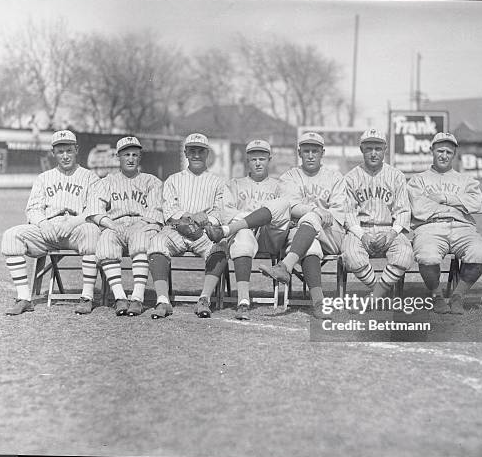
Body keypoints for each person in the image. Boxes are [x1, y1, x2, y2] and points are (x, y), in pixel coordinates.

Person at [1, 130, 100, 315]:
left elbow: (95, 210)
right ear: (53, 153)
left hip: (76, 229)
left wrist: (72, 223)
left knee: (92, 232)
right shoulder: (43, 178)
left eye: (69, 150)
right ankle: (24, 298)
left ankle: (87, 296)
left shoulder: (90, 177)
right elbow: (32, 209)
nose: (65, 156)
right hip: (48, 230)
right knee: (11, 236)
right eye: (60, 151)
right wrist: (44, 224)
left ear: (76, 150)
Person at [258, 132, 347, 319]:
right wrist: (316, 210)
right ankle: (319, 303)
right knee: (310, 244)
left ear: (323, 152)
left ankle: (285, 266)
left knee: (310, 219)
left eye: (315, 151)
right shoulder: (289, 177)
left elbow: (337, 215)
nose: (311, 155)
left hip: (331, 234)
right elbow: (289, 207)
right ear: (299, 152)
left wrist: (315, 214)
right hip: (300, 236)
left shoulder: (335, 177)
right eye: (306, 151)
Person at [407, 132, 482, 314]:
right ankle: (437, 296)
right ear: (432, 151)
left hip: (463, 228)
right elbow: (419, 208)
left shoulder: (466, 180)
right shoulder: (418, 180)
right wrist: (458, 203)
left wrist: (444, 198)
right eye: (440, 151)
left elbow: (475, 203)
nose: (443, 155)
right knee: (427, 255)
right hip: (430, 227)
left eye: (448, 151)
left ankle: (458, 296)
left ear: (454, 154)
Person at [206, 139, 291, 320]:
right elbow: (226, 213)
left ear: (270, 159)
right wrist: (250, 220)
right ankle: (243, 300)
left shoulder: (279, 185)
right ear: (247, 161)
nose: (258, 163)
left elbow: (284, 213)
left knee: (270, 214)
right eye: (254, 159)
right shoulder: (235, 184)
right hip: (244, 236)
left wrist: (252, 218)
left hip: (270, 237)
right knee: (243, 234)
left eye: (262, 158)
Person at [146, 133, 228, 319]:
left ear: (207, 153)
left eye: (200, 151)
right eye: (192, 151)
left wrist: (206, 219)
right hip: (177, 230)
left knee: (220, 247)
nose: (196, 155)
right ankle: (162, 300)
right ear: (186, 153)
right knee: (156, 244)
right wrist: (190, 216)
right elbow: (169, 209)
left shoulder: (218, 181)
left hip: (204, 231)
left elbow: (220, 211)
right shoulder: (173, 179)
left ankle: (204, 299)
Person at [87, 136, 163, 317]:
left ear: (140, 157)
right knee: (105, 242)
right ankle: (120, 297)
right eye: (126, 154)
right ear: (118, 157)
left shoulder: (151, 181)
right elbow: (95, 209)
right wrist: (110, 224)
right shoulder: (107, 181)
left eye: (135, 155)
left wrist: (141, 225)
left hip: (142, 224)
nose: (130, 158)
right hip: (116, 224)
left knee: (141, 241)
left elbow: (155, 211)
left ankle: (137, 298)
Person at [342, 128, 413, 303]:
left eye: (378, 148)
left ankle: (375, 297)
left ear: (385, 149)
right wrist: (361, 235)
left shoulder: (396, 176)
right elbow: (348, 212)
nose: (373, 153)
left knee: (405, 254)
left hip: (389, 228)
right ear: (361, 150)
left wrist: (392, 233)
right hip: (360, 229)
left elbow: (403, 210)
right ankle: (380, 292)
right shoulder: (351, 177)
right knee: (351, 256)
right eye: (369, 148)